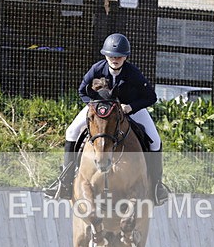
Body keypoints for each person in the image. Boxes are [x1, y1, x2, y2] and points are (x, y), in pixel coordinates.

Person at [43, 33, 169, 205]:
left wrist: (130, 107)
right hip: (100, 110)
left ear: (125, 57)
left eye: (118, 56)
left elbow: (151, 97)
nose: (115, 59)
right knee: (71, 131)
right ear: (105, 55)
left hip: (128, 109)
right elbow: (82, 91)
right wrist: (94, 106)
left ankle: (156, 185)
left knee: (154, 140)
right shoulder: (97, 68)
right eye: (111, 56)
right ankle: (64, 181)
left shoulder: (133, 73)